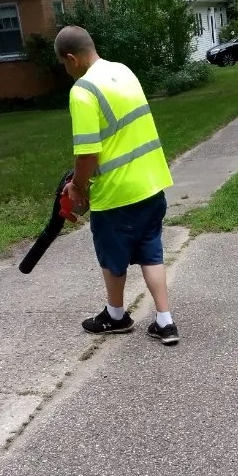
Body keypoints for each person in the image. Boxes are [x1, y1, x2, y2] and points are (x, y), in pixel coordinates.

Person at [54, 25, 179, 346]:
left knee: (113, 257)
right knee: (151, 252)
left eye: (64, 64)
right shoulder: (122, 71)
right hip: (151, 182)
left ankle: (116, 315)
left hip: (116, 193)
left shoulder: (83, 91)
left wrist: (77, 187)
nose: (66, 70)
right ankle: (165, 322)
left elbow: (87, 153)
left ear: (71, 59)